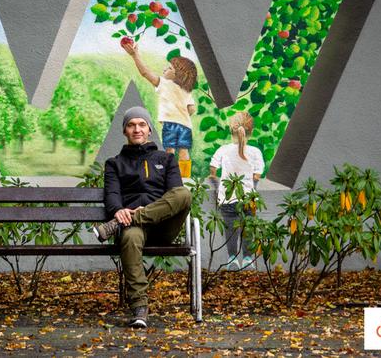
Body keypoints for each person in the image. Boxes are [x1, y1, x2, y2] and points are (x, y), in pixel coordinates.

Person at [93, 106, 192, 328]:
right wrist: (118, 211)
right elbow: (112, 194)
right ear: (125, 131)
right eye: (131, 125)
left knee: (184, 193)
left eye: (141, 124)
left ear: (149, 130)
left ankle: (117, 225)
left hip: (163, 226)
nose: (137, 129)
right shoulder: (114, 163)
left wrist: (135, 215)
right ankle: (139, 307)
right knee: (129, 237)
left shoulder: (166, 160)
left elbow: (175, 195)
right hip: (132, 227)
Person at [121, 42, 197, 178]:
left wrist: (135, 55)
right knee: (184, 151)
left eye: (169, 68)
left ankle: (171, 175)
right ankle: (185, 177)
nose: (164, 69)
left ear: (178, 73)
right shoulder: (186, 90)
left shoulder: (165, 84)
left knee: (169, 150)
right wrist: (182, 114)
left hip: (170, 123)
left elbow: (145, 72)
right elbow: (191, 109)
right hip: (186, 125)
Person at [208, 112, 264, 271]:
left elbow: (213, 168)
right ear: (251, 131)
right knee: (248, 229)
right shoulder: (255, 152)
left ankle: (232, 258)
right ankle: (247, 258)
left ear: (230, 130)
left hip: (227, 199)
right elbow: (257, 175)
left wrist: (214, 177)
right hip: (249, 199)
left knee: (230, 229)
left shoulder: (223, 150)